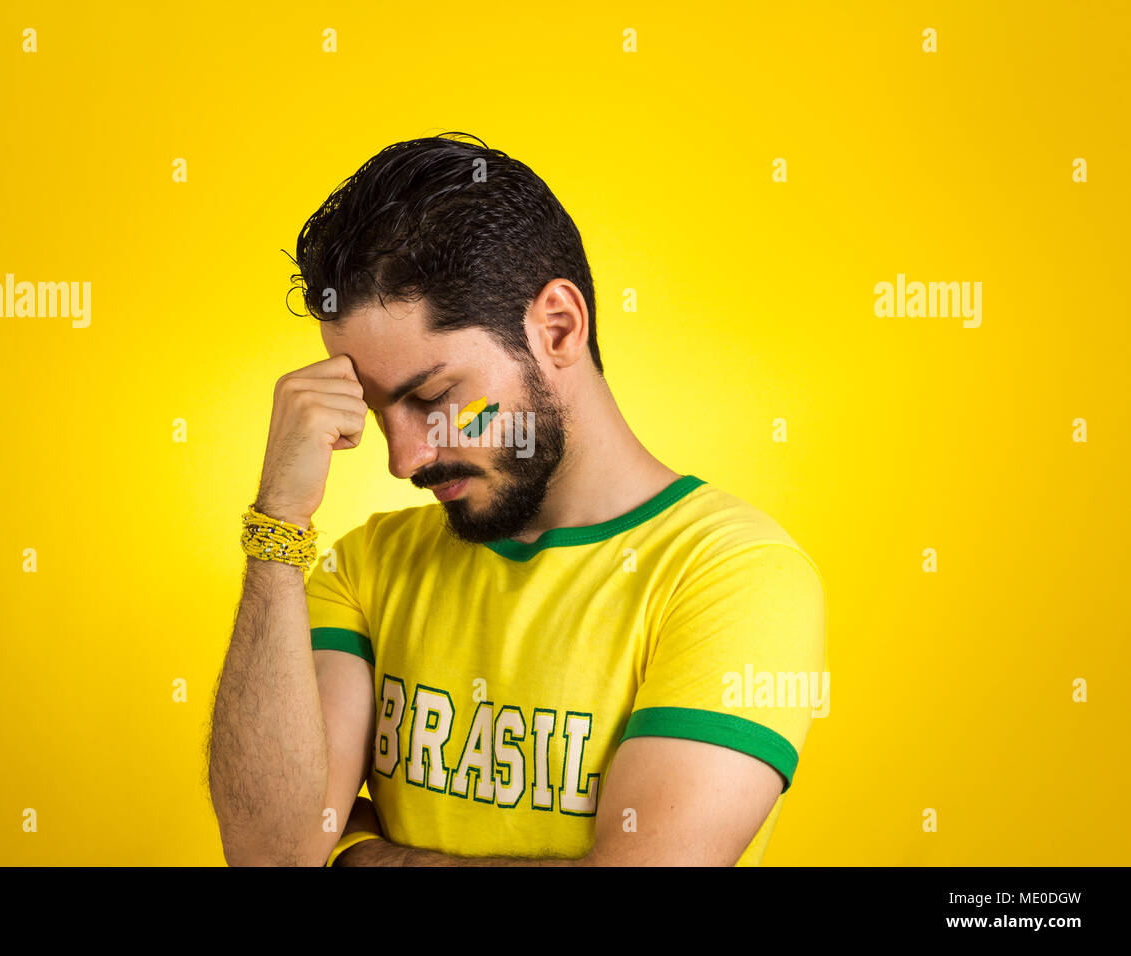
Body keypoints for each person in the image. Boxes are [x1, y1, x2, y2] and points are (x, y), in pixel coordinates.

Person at [208, 132, 828, 867]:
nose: (404, 457)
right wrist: (278, 525)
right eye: (376, 412)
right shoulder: (365, 566)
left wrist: (364, 856)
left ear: (557, 327)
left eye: (433, 396)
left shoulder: (735, 576)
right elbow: (272, 855)